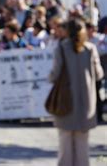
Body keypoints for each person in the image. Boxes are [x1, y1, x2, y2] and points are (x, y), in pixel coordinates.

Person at [49, 18, 104, 166]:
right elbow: (99, 74)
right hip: (86, 102)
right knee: (82, 147)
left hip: (65, 101)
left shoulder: (61, 49)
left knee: (65, 145)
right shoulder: (90, 49)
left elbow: (55, 74)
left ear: (67, 31)